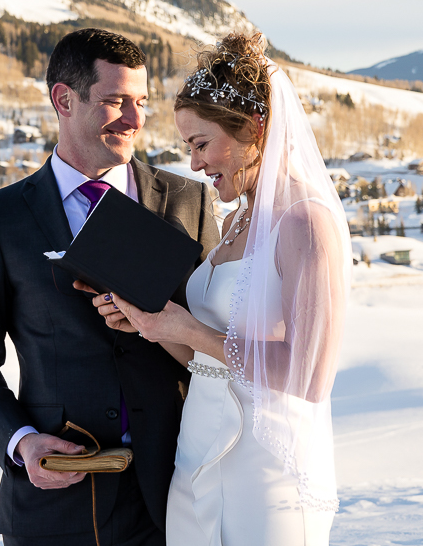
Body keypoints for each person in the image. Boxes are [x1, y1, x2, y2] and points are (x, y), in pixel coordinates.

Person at [0, 28, 220, 546]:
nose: (135, 121)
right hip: (56, 502)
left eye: (140, 102)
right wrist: (22, 444)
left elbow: (219, 334)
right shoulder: (1, 219)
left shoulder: (190, 201)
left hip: (179, 493)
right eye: (115, 102)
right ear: (63, 99)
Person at [90, 32, 350, 545]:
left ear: (256, 128)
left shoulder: (306, 223)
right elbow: (209, 361)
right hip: (196, 456)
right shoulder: (235, 221)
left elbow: (311, 377)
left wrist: (186, 325)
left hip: (264, 470)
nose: (194, 164)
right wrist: (153, 325)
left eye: (202, 144)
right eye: (189, 147)